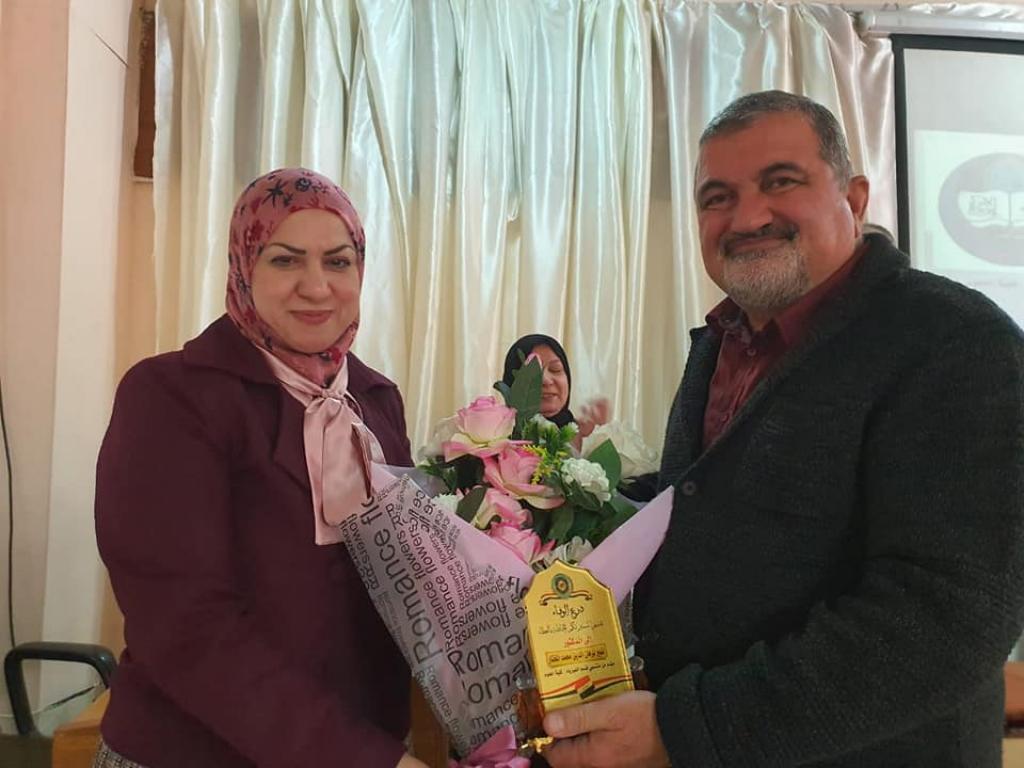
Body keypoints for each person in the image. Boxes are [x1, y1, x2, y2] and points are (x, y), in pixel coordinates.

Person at [541, 90, 1024, 767]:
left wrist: (686, 728)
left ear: (854, 198)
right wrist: (556, 504)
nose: (747, 218)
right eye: (717, 197)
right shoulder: (721, 342)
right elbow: (709, 503)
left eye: (780, 182)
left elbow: (944, 621)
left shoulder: (956, 343)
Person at [94, 168, 428, 768]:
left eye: (338, 261)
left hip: (370, 737)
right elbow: (188, 629)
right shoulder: (171, 397)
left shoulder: (376, 402)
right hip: (198, 752)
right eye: (284, 260)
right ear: (244, 266)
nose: (316, 286)